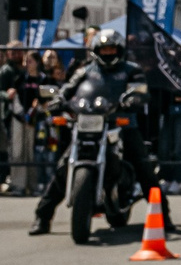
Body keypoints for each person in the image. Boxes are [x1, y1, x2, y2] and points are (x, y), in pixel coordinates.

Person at [30, 32, 172, 236]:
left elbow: (140, 90)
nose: (107, 53)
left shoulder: (131, 70)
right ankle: (42, 218)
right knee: (63, 168)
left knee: (144, 168)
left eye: (111, 49)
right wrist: (59, 99)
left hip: (122, 125)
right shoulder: (86, 70)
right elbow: (69, 89)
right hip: (89, 123)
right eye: (104, 49)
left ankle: (164, 217)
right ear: (96, 51)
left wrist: (134, 99)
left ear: (119, 51)